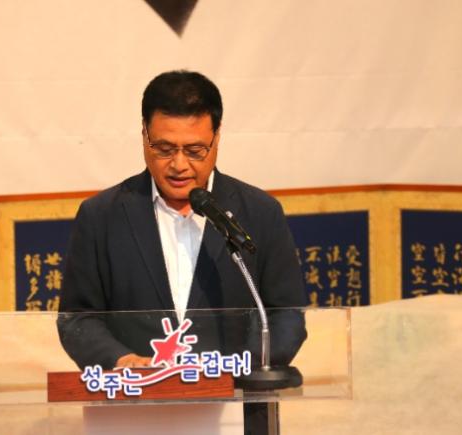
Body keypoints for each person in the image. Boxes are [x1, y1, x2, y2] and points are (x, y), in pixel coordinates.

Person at [57, 70, 306, 371]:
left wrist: (240, 370)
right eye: (164, 149)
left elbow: (286, 316)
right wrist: (122, 361)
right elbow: (78, 319)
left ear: (217, 138)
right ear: (144, 135)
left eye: (194, 151)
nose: (179, 165)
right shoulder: (101, 216)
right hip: (135, 395)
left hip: (235, 394)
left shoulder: (259, 213)